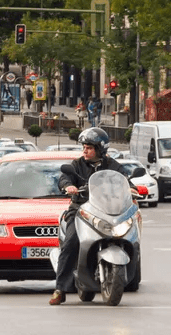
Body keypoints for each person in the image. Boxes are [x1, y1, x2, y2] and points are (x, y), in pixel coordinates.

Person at [49, 127, 129, 306]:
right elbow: (64, 178)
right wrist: (68, 186)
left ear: (100, 149)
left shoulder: (112, 165)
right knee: (71, 242)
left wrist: (131, 187)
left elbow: (124, 178)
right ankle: (60, 289)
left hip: (105, 211)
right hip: (80, 210)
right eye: (84, 147)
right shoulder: (77, 164)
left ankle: (131, 277)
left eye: (89, 147)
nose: (85, 150)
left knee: (127, 235)